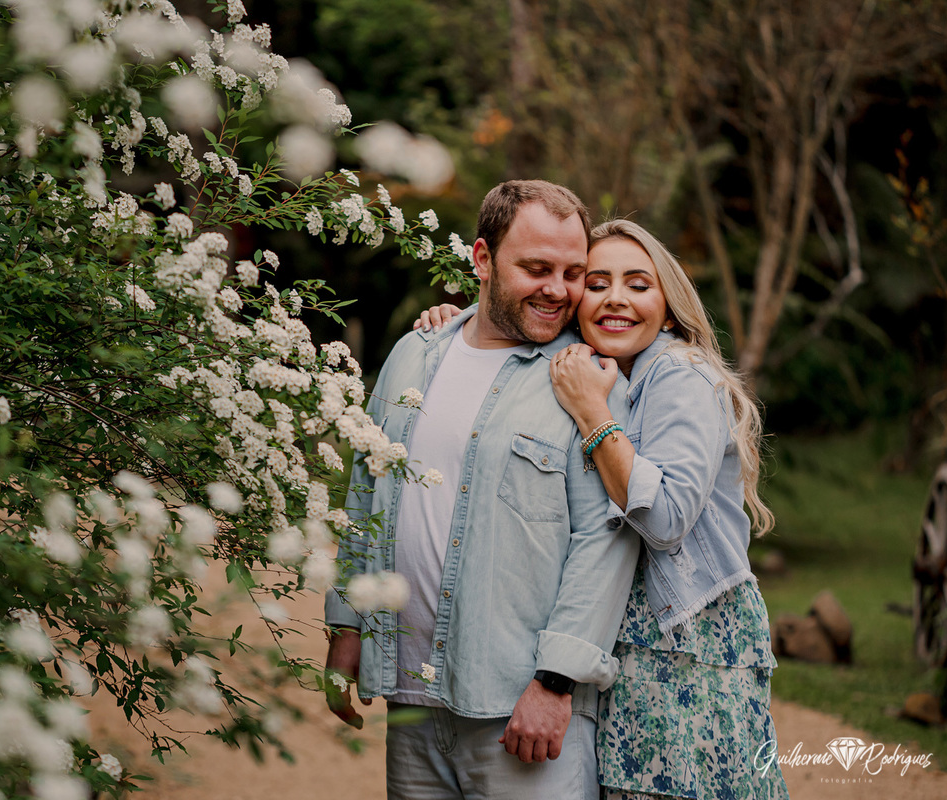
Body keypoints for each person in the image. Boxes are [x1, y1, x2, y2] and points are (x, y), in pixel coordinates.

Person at [417, 218, 789, 799]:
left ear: (668, 308)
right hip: (631, 647)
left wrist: (594, 414)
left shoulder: (679, 375)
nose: (616, 298)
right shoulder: (610, 370)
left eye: (638, 284)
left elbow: (664, 520)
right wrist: (455, 321)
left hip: (689, 642)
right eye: (597, 283)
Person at [324, 180, 640, 800]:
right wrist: (345, 630)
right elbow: (364, 495)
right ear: (482, 259)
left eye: (574, 272)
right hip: (411, 700)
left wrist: (555, 684)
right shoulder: (412, 355)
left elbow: (608, 542)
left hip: (522, 713)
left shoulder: (585, 381)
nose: (558, 289)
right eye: (536, 267)